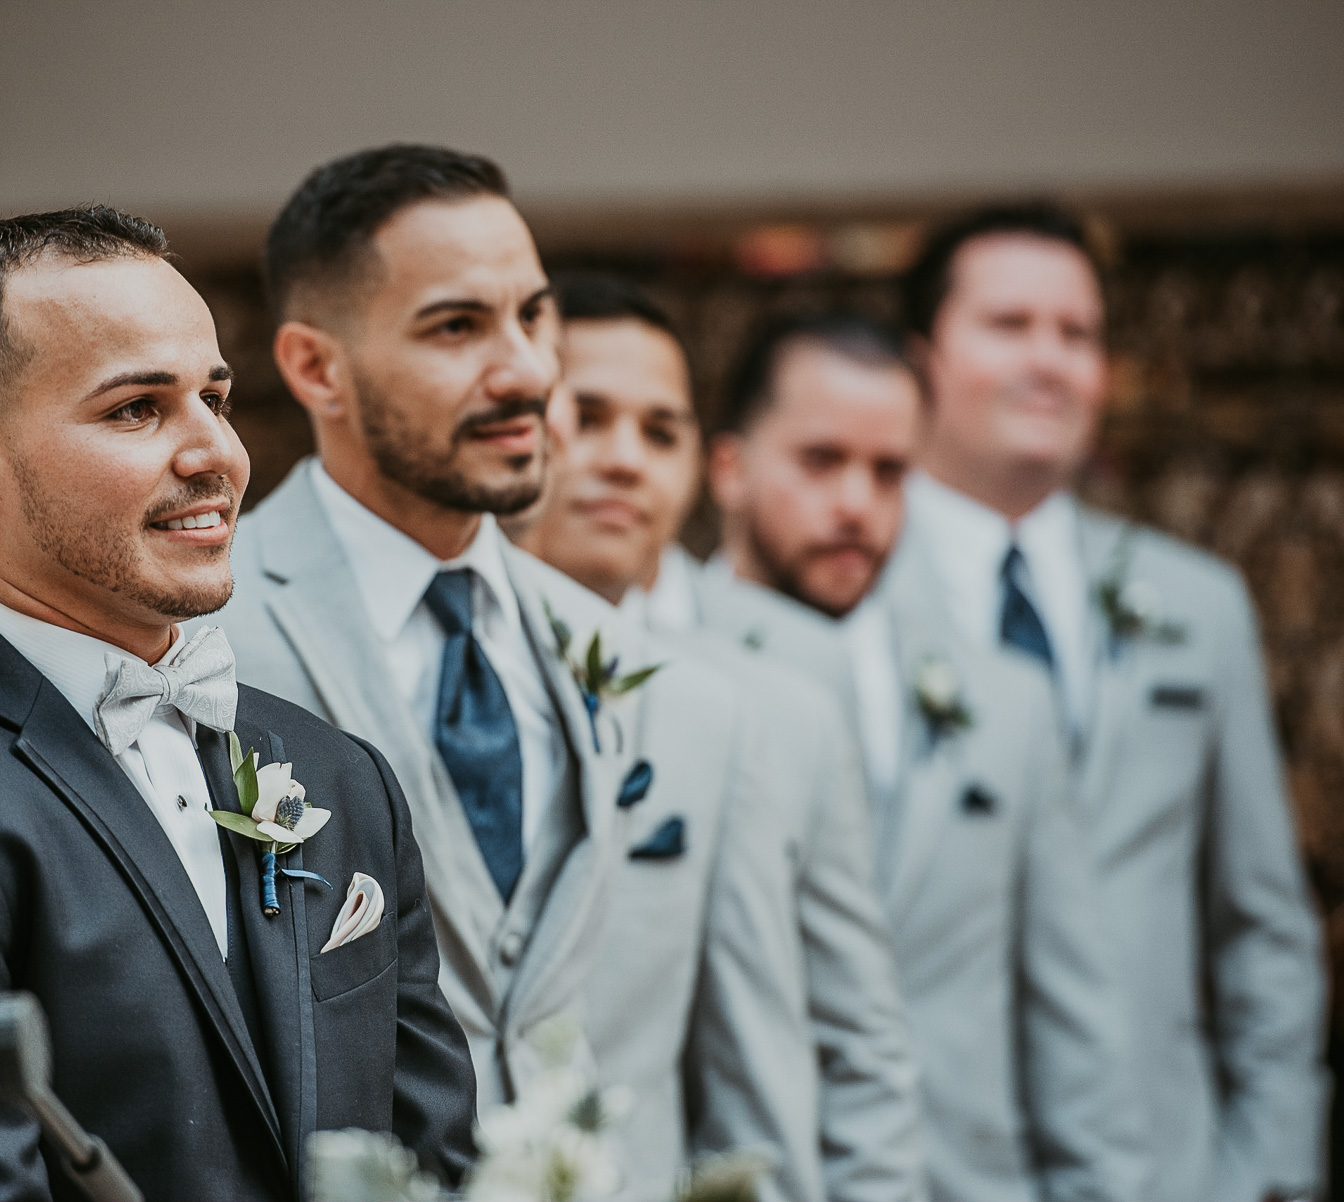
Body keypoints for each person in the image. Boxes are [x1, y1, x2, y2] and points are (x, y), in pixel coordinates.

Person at [0, 207, 478, 1202]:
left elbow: (439, 1161)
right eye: (136, 408)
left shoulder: (340, 774)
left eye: (215, 395)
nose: (217, 452)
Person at [213, 145, 801, 1199]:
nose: (528, 372)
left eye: (534, 317)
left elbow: (755, 1083)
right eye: (456, 326)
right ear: (315, 368)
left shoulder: (676, 691)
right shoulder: (201, 650)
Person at [898, 203, 1327, 1202]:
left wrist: (1271, 1166)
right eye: (1009, 325)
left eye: (1077, 333)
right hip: (924, 1164)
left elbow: (1264, 923)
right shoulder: (851, 603)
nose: (1048, 360)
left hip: (1170, 1166)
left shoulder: (1198, 604)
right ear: (923, 358)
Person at [704, 311, 1148, 1202]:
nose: (857, 505)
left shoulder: (1007, 704)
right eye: (821, 461)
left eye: (889, 471)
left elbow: (1073, 1016)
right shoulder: (652, 676)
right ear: (731, 469)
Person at [510, 274, 925, 1202]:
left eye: (663, 431)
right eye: (588, 414)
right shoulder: (443, 672)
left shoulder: (791, 699)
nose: (626, 460)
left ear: (705, 461)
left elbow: (858, 1040)